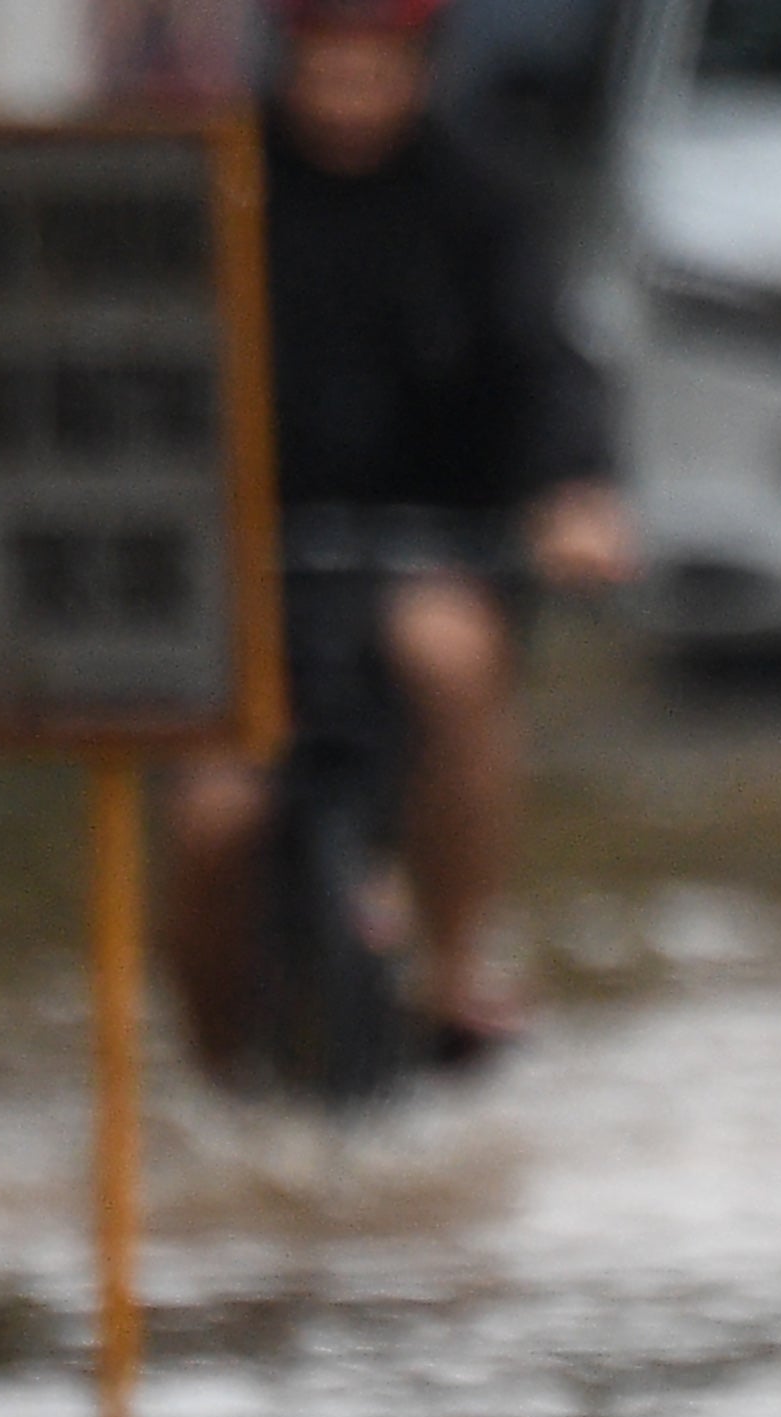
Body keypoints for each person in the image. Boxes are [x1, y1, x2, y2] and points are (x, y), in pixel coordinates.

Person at [158, 0, 632, 1072]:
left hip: (429, 555)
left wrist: (576, 495)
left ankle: (457, 959)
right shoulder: (212, 186)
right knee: (212, 826)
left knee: (449, 655)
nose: (346, 97)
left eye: (372, 71)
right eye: (324, 69)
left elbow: (549, 367)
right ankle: (209, 1073)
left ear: (421, 70)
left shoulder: (486, 197)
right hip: (236, 579)